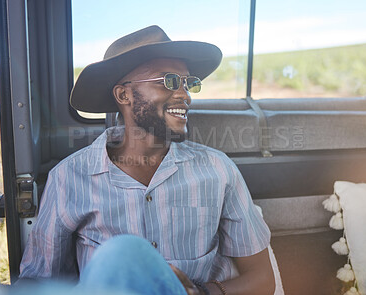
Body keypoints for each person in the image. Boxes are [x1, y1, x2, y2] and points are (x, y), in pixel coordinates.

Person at [19, 25, 275, 294]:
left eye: (188, 83)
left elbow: (262, 278)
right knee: (122, 254)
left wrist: (204, 293)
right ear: (123, 95)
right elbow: (39, 282)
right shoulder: (68, 178)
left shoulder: (218, 170)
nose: (185, 95)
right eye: (169, 81)